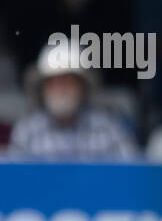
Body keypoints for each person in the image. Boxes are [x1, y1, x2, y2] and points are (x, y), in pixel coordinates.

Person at [9, 44, 137, 159]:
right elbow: (13, 181)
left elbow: (129, 176)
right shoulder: (27, 132)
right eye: (52, 83)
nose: (60, 89)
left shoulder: (108, 129)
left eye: (67, 82)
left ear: (82, 86)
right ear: (42, 89)